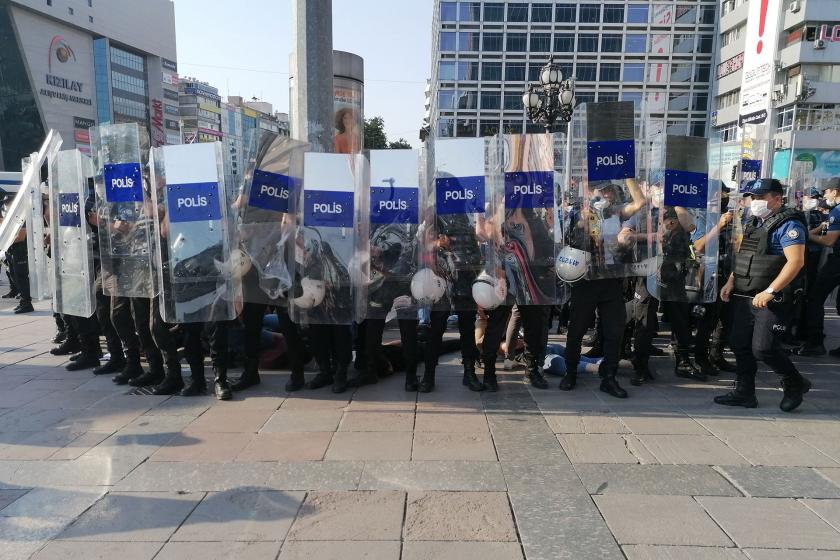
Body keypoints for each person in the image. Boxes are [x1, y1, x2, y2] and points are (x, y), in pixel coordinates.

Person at [715, 178, 810, 412]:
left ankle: (794, 382)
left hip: (771, 297)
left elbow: (796, 261)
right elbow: (743, 255)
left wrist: (770, 291)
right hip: (745, 293)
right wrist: (730, 281)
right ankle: (744, 392)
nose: (755, 201)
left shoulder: (789, 224)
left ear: (777, 198)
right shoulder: (753, 222)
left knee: (763, 348)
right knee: (739, 343)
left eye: (761, 197)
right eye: (753, 197)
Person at [561, 180, 646, 398]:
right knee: (577, 329)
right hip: (586, 280)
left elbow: (640, 202)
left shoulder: (614, 211)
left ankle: (609, 377)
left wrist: (627, 176)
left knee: (614, 331)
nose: (607, 193)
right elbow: (574, 235)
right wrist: (585, 216)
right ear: (592, 191)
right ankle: (570, 372)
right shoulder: (581, 210)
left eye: (609, 189)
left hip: (610, 278)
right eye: (603, 189)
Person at [797, 178, 840, 356]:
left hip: (838, 261)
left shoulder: (837, 212)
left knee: (815, 297)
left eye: (826, 191)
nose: (824, 195)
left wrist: (806, 236)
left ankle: (815, 342)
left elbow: (829, 241)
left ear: (835, 191)